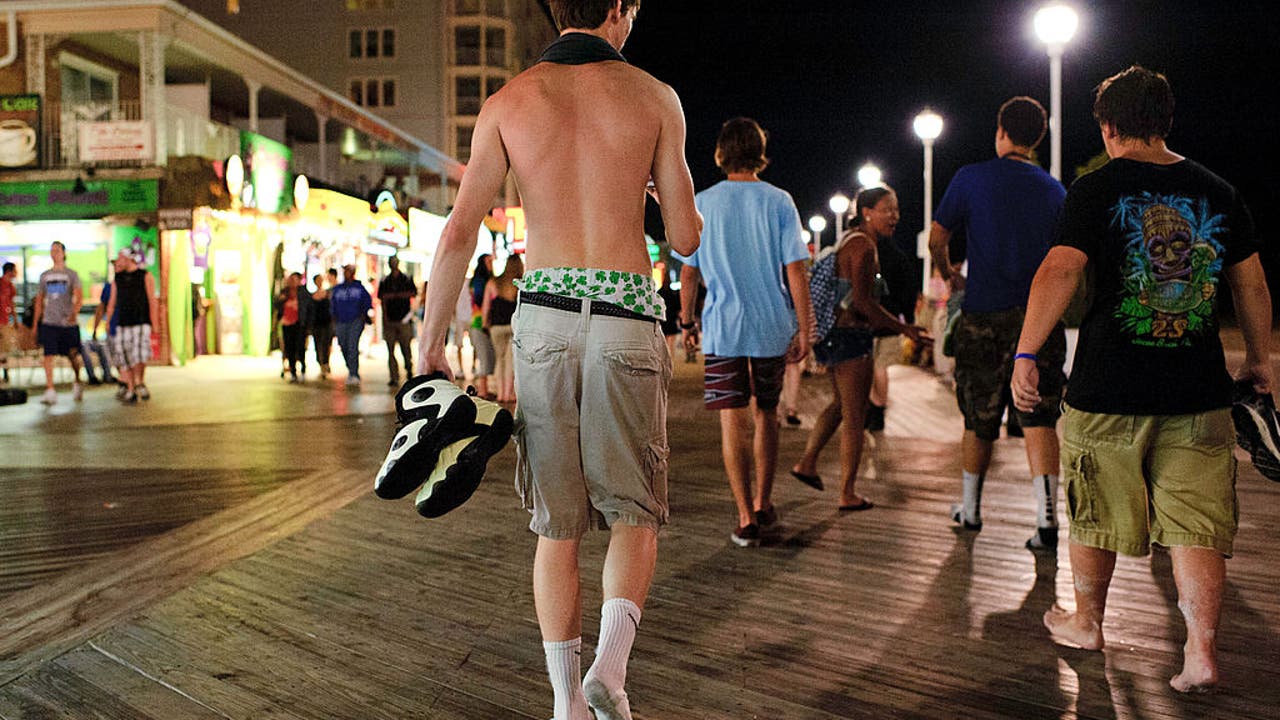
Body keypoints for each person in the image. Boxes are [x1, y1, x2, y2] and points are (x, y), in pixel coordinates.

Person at [415, 2, 701, 718]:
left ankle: (565, 702)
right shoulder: (654, 96)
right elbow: (687, 236)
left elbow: (458, 233)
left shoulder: (509, 100)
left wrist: (429, 347)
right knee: (634, 511)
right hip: (626, 314)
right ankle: (611, 665)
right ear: (621, 9)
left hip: (540, 319)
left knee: (556, 524)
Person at [1012, 65, 1273, 694]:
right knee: (1197, 521)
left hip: (1109, 387)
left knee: (1095, 509)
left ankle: (1086, 622)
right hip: (1199, 388)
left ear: (1108, 127)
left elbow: (1060, 269)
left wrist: (1026, 353)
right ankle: (1201, 653)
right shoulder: (1217, 190)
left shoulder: (1098, 189)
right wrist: (1258, 360)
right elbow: (1252, 283)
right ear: (1166, 122)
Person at [927, 96, 1068, 551]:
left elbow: (937, 237)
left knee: (978, 416)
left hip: (984, 313)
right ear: (1038, 139)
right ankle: (1047, 522)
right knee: (1040, 414)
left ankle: (971, 511)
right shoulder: (1054, 190)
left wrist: (948, 272)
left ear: (1001, 131)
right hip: (1040, 320)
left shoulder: (971, 178)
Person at [678, 117, 815, 547]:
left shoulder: (704, 203)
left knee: (731, 423)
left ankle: (743, 516)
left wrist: (686, 322)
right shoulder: (779, 201)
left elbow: (689, 272)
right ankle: (762, 501)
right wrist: (805, 329)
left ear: (721, 153)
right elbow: (797, 270)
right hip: (772, 327)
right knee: (767, 414)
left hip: (722, 331)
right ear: (759, 151)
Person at [791, 186, 928, 511]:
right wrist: (904, 327)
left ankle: (807, 463)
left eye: (896, 209)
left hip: (835, 335)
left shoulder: (850, 240)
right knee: (856, 417)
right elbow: (863, 303)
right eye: (887, 209)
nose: (894, 216)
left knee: (840, 405)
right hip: (851, 336)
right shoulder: (864, 247)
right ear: (867, 211)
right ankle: (847, 493)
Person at [866, 232, 917, 431]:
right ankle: (879, 408)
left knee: (869, 367)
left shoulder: (867, 253)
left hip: (867, 320)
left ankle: (872, 406)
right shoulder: (898, 257)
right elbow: (909, 290)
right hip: (891, 322)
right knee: (882, 367)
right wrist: (908, 318)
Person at [32, 241, 85, 405]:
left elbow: (79, 297)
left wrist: (73, 314)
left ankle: (77, 381)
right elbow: (39, 301)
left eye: (57, 250)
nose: (54, 253)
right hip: (49, 321)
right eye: (52, 250)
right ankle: (50, 389)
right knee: (48, 355)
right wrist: (35, 324)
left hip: (67, 324)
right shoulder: (44, 276)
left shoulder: (72, 275)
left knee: (72, 355)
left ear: (63, 253)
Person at [104, 250, 159, 403]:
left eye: (121, 258)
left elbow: (152, 300)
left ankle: (139, 381)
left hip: (141, 322)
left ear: (129, 259)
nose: (119, 261)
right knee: (125, 356)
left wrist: (154, 323)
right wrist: (108, 321)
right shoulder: (118, 278)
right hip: (123, 323)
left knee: (139, 355)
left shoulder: (145, 275)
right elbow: (112, 303)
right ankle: (131, 387)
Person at [483, 254, 522, 403]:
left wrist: (485, 323)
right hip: (514, 327)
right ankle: (509, 394)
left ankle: (500, 394)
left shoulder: (493, 283)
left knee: (500, 359)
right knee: (510, 361)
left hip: (496, 327)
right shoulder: (520, 283)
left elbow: (486, 307)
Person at [331, 264, 372, 387]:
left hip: (355, 321)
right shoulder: (338, 289)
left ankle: (354, 373)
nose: (345, 273)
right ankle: (351, 368)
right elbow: (332, 304)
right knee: (343, 345)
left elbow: (367, 302)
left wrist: (363, 316)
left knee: (352, 345)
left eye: (348, 271)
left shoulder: (359, 288)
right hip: (340, 321)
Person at [378, 256, 417, 387]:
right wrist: (385, 318)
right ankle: (394, 376)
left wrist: (396, 296)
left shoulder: (406, 279)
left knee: (406, 348)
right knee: (390, 350)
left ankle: (409, 369)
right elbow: (382, 299)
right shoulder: (385, 281)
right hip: (390, 320)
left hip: (403, 319)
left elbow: (413, 293)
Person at [468, 254, 496, 398]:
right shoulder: (481, 280)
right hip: (480, 322)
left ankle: (484, 388)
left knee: (485, 355)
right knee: (484, 356)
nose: (492, 264)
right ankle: (483, 390)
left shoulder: (477, 280)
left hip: (478, 321)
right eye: (489, 261)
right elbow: (479, 300)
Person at [274, 272, 308, 383]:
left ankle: (302, 367)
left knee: (300, 346)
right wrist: (282, 299)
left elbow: (308, 308)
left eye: (294, 279)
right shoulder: (285, 292)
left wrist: (307, 324)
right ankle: (293, 371)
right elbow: (277, 306)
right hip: (286, 324)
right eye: (290, 279)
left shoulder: (303, 293)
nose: (292, 282)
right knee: (289, 347)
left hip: (299, 324)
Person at [311, 272, 335, 379]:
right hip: (316, 323)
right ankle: (321, 364)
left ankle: (325, 363)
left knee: (326, 344)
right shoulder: (312, 295)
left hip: (327, 322)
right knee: (318, 344)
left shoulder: (328, 293)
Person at [656, 269, 681, 360]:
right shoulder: (673, 294)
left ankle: (663, 362)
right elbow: (678, 308)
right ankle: (670, 363)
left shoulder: (659, 293)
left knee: (663, 346)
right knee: (671, 347)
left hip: (662, 321)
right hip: (672, 321)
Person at [1, 261, 19, 384]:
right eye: (15, 270)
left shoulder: (11, 287)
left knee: (4, 348)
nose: (16, 273)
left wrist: (15, 319)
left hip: (5, 321)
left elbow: (12, 304)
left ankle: (5, 373)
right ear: (9, 272)